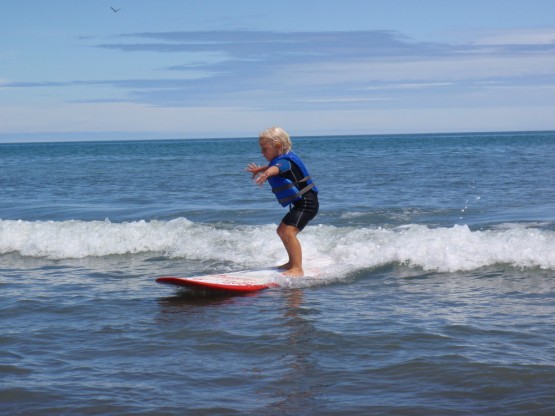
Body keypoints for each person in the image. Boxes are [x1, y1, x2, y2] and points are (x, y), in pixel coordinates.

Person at [246, 127, 319, 277]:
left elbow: (277, 168)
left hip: (307, 203)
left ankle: (298, 268)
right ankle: (291, 263)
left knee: (288, 232)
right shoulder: (284, 158)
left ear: (278, 146)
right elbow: (275, 164)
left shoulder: (284, 162)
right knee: (281, 231)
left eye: (265, 149)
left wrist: (266, 173)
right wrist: (260, 169)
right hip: (302, 203)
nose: (262, 153)